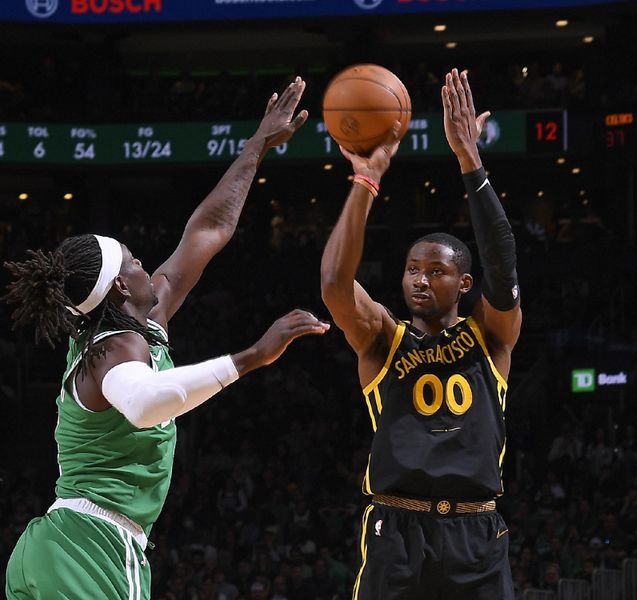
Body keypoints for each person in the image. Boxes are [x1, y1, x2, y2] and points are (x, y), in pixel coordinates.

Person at [3, 77, 330, 600]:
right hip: (94, 549)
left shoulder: (138, 324)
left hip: (58, 545)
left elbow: (205, 232)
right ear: (116, 287)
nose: (143, 264)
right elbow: (146, 402)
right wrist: (252, 357)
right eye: (133, 261)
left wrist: (256, 146)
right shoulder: (115, 348)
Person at [321, 68, 522, 599]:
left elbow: (504, 267)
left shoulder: (490, 338)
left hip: (476, 530)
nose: (420, 279)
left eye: (435, 271)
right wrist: (366, 179)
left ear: (464, 283)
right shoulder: (383, 339)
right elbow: (335, 284)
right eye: (413, 269)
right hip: (397, 528)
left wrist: (470, 163)